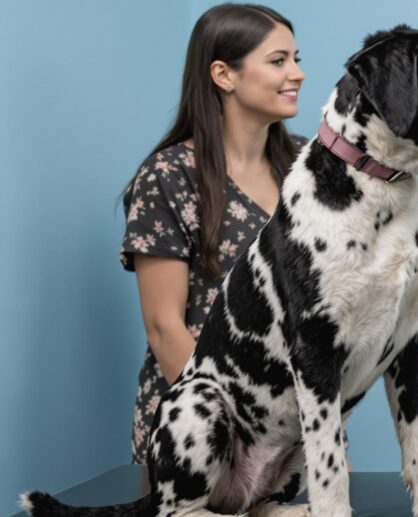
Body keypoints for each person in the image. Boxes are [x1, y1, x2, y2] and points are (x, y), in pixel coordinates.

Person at [120, 3, 305, 464]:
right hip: (198, 439)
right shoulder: (168, 176)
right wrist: (240, 441)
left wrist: (321, 439)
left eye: (298, 59)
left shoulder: (310, 167)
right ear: (224, 75)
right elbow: (165, 328)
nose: (297, 73)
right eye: (278, 60)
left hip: (292, 439)